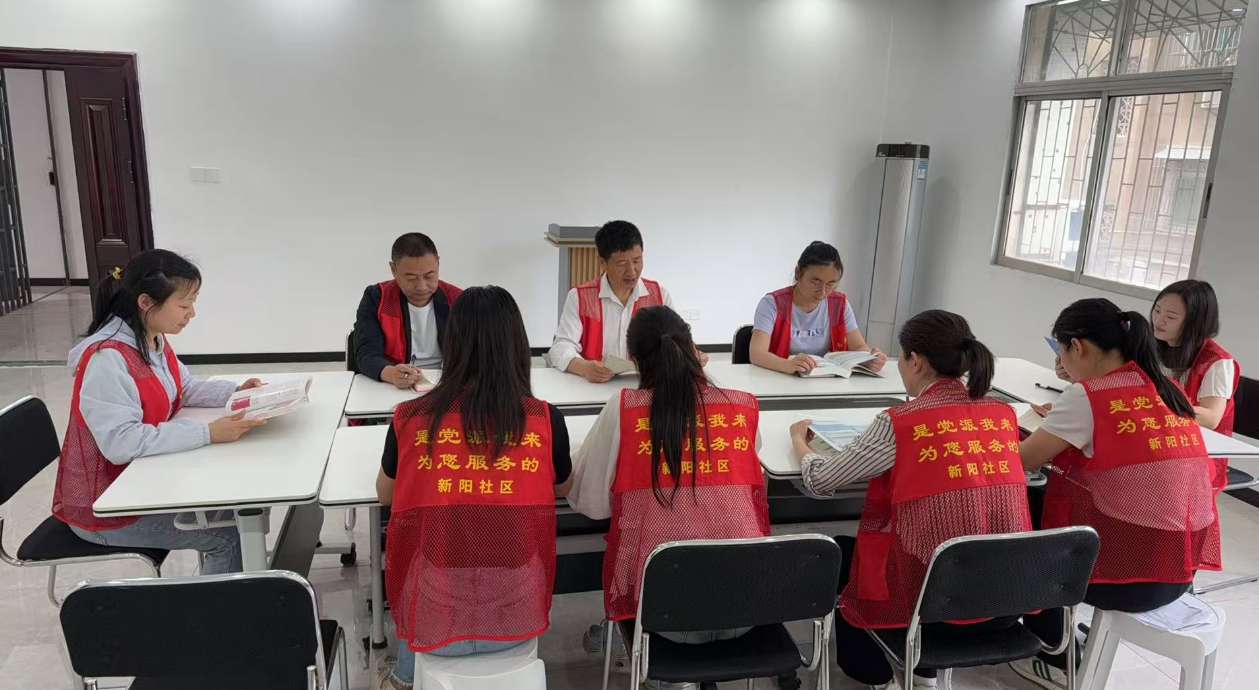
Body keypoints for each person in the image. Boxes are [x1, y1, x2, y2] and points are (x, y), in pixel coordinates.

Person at [789, 310, 1029, 690]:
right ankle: (923, 674)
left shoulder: (900, 422)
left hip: (927, 612)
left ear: (915, 360)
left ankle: (876, 676)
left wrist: (799, 442)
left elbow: (821, 480)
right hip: (1006, 600)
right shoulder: (1001, 414)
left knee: (840, 554)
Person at [1013, 298, 1221, 689]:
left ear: (1077, 347)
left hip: (1128, 578)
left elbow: (1023, 459)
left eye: (1062, 352)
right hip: (1181, 568)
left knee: (1029, 509)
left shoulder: (1086, 397)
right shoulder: (1166, 388)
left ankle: (1051, 650)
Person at [374, 286, 572, 690]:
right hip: (517, 615)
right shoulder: (544, 419)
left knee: (420, 570)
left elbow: (386, 495)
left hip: (437, 615)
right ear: (517, 345)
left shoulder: (411, 416)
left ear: (452, 344)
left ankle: (404, 677)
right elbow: (562, 485)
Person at [568, 306, 768, 685]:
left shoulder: (624, 409)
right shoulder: (741, 406)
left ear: (633, 361)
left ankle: (647, 661)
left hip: (665, 618)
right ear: (693, 348)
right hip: (745, 608)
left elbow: (591, 505)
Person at [55, 250, 264, 575]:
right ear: (146, 302)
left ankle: (249, 589)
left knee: (236, 505)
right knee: (227, 535)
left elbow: (184, 388)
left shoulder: (151, 338)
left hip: (144, 482)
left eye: (193, 302)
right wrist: (207, 433)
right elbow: (121, 443)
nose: (192, 313)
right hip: (107, 509)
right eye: (184, 304)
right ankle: (223, 608)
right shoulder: (106, 358)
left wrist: (236, 392)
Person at [548, 220, 707, 382]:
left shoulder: (659, 295)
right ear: (602, 262)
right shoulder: (580, 297)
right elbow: (560, 347)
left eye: (637, 261)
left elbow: (677, 339)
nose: (631, 271)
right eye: (622, 263)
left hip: (646, 385)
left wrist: (692, 354)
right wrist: (584, 367)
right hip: (595, 386)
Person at [750, 241, 887, 375]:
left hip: (827, 379)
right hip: (780, 379)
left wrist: (870, 358)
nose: (822, 292)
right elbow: (757, 353)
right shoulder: (772, 304)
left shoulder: (839, 305)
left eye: (830, 284)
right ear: (798, 273)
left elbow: (858, 346)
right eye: (815, 282)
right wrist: (786, 365)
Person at [354, 232, 462, 389]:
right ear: (393, 269)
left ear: (438, 264)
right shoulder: (378, 298)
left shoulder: (457, 300)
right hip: (394, 385)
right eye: (411, 278)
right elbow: (366, 354)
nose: (422, 287)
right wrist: (391, 373)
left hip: (448, 383)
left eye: (429, 276)